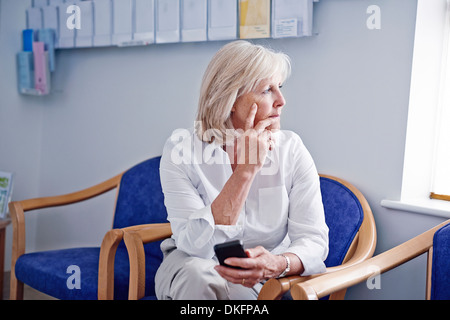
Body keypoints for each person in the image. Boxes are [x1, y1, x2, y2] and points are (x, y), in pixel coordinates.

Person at [155, 40, 328, 300]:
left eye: (279, 88)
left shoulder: (291, 149)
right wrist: (245, 171)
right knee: (199, 276)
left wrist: (279, 263)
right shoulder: (182, 151)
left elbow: (314, 240)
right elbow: (196, 248)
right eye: (267, 90)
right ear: (231, 99)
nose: (281, 101)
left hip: (263, 279)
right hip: (191, 265)